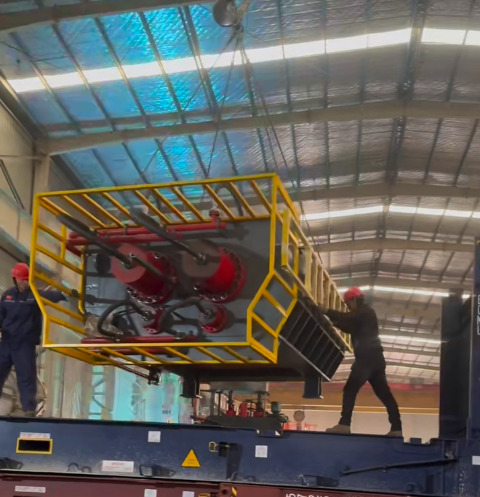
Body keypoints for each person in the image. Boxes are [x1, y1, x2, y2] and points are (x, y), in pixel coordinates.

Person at [322, 286, 402, 437]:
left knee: (350, 390)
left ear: (354, 300)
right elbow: (348, 326)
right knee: (384, 394)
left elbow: (348, 318)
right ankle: (397, 428)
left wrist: (326, 310)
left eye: (348, 304)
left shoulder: (366, 312)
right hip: (376, 360)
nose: (348, 307)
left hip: (366, 359)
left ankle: (344, 424)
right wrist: (332, 322)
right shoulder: (363, 316)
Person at [0, 263, 66, 417]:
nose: (24, 283)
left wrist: (67, 295)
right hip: (7, 342)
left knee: (26, 376)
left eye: (26, 279)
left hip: (25, 343)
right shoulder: (7, 296)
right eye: (22, 279)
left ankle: (29, 410)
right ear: (15, 279)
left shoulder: (34, 295)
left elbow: (52, 296)